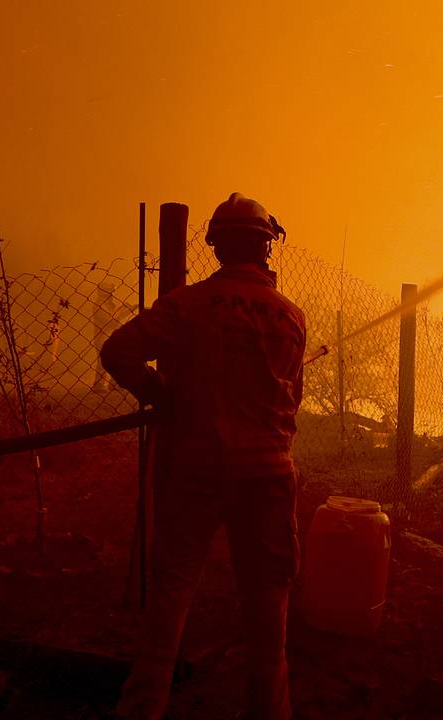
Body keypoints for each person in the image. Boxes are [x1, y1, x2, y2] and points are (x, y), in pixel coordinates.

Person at [101, 193, 306, 720]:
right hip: (268, 473)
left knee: (171, 590)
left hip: (198, 465)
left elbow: (117, 350)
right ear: (266, 248)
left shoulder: (187, 305)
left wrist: (160, 393)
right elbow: (291, 399)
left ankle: (142, 709)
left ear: (216, 246)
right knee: (268, 600)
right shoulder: (290, 317)